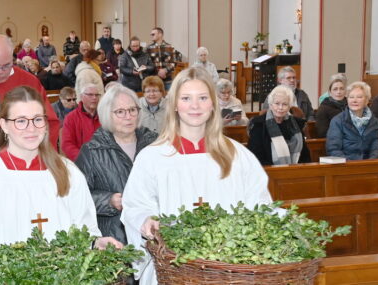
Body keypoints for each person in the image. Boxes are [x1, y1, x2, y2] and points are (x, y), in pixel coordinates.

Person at [0, 85, 120, 282]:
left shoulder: (68, 172)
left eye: (37, 119)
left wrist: (97, 243)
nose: (31, 128)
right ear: (4, 125)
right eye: (21, 121)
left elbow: (85, 230)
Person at [121, 68, 272, 284]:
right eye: (186, 98)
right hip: (172, 268)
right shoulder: (152, 157)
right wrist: (145, 220)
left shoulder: (238, 156)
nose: (195, 106)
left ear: (213, 104)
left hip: (228, 269)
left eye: (202, 98)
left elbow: (260, 206)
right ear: (174, 104)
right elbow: (135, 206)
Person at [76, 84, 157, 245]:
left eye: (132, 110)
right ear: (107, 114)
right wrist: (108, 200)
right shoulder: (92, 151)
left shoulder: (155, 144)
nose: (128, 116)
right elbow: (77, 199)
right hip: (115, 239)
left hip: (153, 234)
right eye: (120, 112)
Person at [247, 85, 311, 166]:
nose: (280, 108)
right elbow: (256, 157)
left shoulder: (297, 124)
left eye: (285, 104)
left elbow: (305, 155)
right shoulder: (258, 125)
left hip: (295, 169)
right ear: (270, 105)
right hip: (268, 170)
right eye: (277, 103)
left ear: (289, 107)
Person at [326, 81, 378, 160]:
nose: (354, 100)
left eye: (359, 97)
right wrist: (351, 164)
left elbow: (376, 149)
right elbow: (333, 149)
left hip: (368, 164)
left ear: (367, 100)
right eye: (351, 97)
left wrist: (369, 163)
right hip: (346, 165)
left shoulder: (374, 121)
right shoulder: (337, 121)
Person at [60, 82, 102, 160]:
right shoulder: (71, 118)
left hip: (104, 160)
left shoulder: (104, 116)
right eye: (90, 95)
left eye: (97, 95)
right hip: (81, 161)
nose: (94, 98)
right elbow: (67, 145)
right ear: (82, 97)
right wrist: (84, 158)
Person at [314, 74, 348, 138]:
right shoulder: (323, 108)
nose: (339, 92)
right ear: (330, 92)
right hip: (334, 140)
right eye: (335, 89)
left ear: (345, 91)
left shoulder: (350, 105)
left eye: (341, 89)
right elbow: (322, 133)